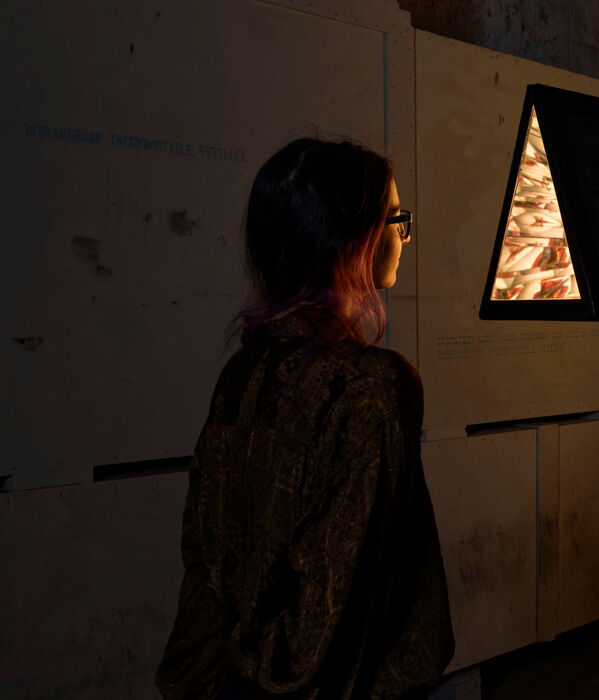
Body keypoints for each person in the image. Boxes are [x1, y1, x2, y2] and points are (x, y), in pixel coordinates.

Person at [156, 138, 454, 699]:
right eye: (396, 219)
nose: (404, 236)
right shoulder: (372, 387)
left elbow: (206, 553)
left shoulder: (243, 372)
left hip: (228, 678)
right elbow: (347, 588)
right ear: (352, 240)